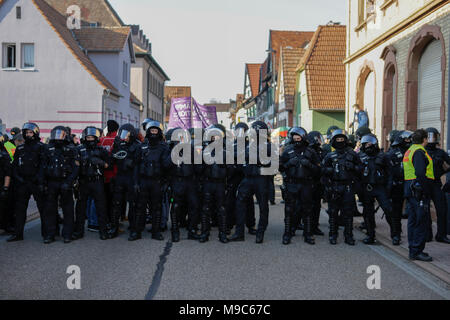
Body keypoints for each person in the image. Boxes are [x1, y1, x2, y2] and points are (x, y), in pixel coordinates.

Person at [230, 121, 273, 243]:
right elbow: (240, 157)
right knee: (240, 203)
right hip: (248, 178)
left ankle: (260, 233)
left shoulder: (269, 146)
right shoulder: (249, 145)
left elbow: (274, 164)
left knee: (263, 207)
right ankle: (239, 233)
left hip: (262, 179)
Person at [279, 127, 321, 245]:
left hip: (306, 184)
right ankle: (287, 233)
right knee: (289, 209)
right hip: (292, 183)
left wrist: (309, 165)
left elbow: (318, 170)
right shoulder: (287, 151)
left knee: (307, 209)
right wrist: (288, 164)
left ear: (303, 138)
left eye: (299, 138)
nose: (297, 140)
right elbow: (280, 167)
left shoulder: (311, 151)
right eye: (295, 138)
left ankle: (308, 234)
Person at [130, 120, 170, 241]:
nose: (153, 133)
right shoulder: (141, 146)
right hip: (143, 181)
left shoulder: (164, 147)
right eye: (151, 130)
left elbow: (167, 168)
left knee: (156, 208)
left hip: (156, 182)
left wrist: (165, 184)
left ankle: (156, 232)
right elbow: (136, 166)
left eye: (155, 130)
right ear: (148, 131)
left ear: (159, 132)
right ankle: (137, 232)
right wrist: (136, 183)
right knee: (140, 207)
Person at [7, 123, 47, 242]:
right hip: (23, 182)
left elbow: (44, 165)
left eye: (30, 132)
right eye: (26, 133)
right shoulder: (20, 148)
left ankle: (46, 234)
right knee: (20, 210)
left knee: (43, 209)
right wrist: (19, 178)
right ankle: (18, 234)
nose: (28, 135)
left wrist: (39, 179)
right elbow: (14, 166)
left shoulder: (41, 147)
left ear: (35, 133)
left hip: (36, 182)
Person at [321, 130, 361, 245]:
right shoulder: (329, 156)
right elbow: (322, 171)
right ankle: (333, 235)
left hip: (348, 187)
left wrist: (353, 167)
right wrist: (329, 173)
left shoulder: (352, 154)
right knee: (333, 213)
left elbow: (361, 169)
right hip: (334, 187)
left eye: (342, 139)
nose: (340, 142)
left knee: (348, 213)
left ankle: (348, 236)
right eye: (337, 140)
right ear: (334, 141)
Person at [359, 134, 400, 245]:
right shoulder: (360, 157)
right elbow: (357, 175)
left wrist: (388, 188)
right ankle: (370, 235)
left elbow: (390, 174)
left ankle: (395, 235)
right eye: (366, 144)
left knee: (389, 211)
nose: (369, 146)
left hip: (380, 188)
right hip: (367, 188)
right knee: (368, 213)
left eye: (371, 143)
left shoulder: (383, 156)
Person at [41, 127, 79, 244]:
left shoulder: (71, 149)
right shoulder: (48, 149)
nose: (58, 137)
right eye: (56, 135)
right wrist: (43, 182)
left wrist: (69, 182)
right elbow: (42, 167)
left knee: (68, 210)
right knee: (50, 210)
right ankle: (50, 234)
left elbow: (76, 168)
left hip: (65, 181)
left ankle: (67, 234)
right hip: (52, 182)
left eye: (61, 135)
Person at [403, 129, 434, 261]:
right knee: (421, 221)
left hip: (410, 188)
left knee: (413, 220)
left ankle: (413, 249)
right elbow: (421, 173)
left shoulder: (410, 150)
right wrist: (426, 190)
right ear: (424, 139)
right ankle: (417, 251)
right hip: (418, 190)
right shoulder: (419, 152)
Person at [74, 127, 110, 240]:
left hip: (97, 181)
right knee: (80, 208)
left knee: (101, 207)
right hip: (83, 181)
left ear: (96, 138)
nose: (90, 139)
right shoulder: (79, 149)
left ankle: (103, 231)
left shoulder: (101, 150)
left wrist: (100, 162)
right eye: (88, 137)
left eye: (92, 137)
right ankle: (79, 231)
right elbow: (75, 165)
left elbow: (109, 164)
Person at [167, 128, 201, 241]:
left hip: (190, 181)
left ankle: (192, 230)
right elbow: (165, 164)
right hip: (177, 181)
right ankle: (175, 231)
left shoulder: (190, 149)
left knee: (194, 205)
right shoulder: (170, 148)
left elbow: (198, 166)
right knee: (176, 207)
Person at [199, 124, 229, 243]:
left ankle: (222, 234)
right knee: (206, 209)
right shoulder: (204, 151)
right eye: (213, 137)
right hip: (208, 183)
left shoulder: (226, 152)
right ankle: (205, 233)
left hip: (220, 183)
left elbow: (231, 169)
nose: (215, 139)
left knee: (221, 209)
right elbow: (198, 169)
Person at [109, 124, 141, 239]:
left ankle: (134, 230)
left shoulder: (137, 146)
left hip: (131, 177)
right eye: (122, 133)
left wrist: (137, 182)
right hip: (120, 177)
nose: (124, 137)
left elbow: (138, 164)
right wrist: (115, 149)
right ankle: (114, 227)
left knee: (133, 205)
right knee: (116, 204)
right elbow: (111, 162)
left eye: (126, 134)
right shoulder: (119, 145)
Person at [226, 122, 256, 235]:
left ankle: (251, 225)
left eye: (242, 131)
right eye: (237, 130)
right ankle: (229, 225)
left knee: (248, 201)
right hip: (233, 175)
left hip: (246, 175)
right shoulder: (230, 145)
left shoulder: (251, 145)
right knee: (230, 200)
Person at [424, 128, 450, 244]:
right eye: (430, 137)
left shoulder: (440, 152)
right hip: (425, 183)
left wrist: (442, 171)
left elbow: (449, 164)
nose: (432, 139)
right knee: (425, 210)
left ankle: (441, 234)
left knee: (442, 208)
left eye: (434, 136)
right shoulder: (422, 151)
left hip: (436, 183)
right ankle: (427, 234)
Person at [99, 120, 119, 231]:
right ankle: (113, 223)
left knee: (104, 201)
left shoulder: (101, 140)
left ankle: (105, 222)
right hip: (115, 175)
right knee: (114, 202)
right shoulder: (118, 140)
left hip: (103, 175)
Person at [307, 131, 326, 235]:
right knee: (308, 206)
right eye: (318, 138)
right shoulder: (308, 151)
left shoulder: (320, 151)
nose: (320, 140)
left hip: (318, 182)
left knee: (317, 206)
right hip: (309, 182)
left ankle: (314, 226)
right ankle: (307, 227)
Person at [0, 134, 12, 233]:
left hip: (2, 184)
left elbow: (8, 172)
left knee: (3, 207)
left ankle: (5, 226)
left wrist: (5, 187)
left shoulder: (4, 155)